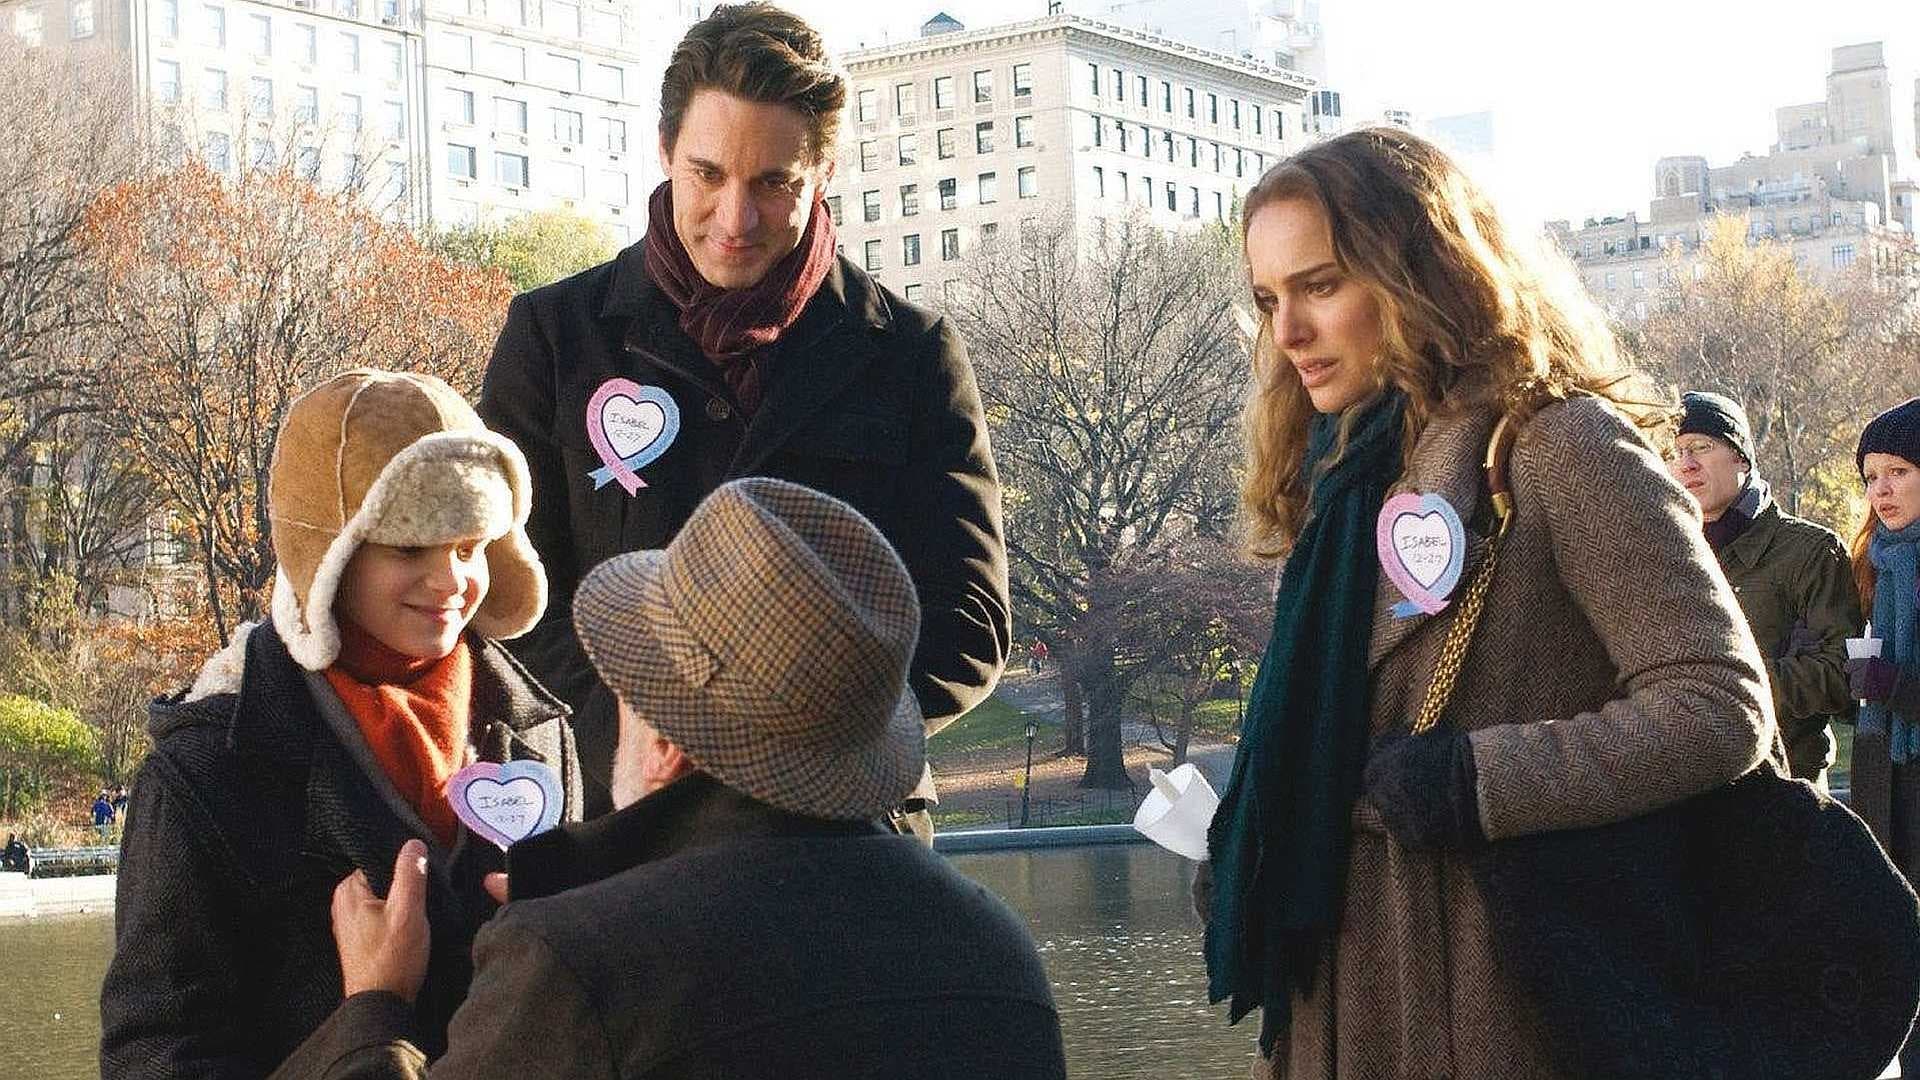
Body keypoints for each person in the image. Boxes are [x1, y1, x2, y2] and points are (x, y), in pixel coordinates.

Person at [1203, 128, 1773, 1077]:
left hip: (1509, 1006)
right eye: (1268, 300)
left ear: (1422, 273)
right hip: (1335, 1011)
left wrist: (1474, 782)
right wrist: (1252, 844)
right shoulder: (1336, 485)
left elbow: (1720, 707)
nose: (1288, 332)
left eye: (1321, 285)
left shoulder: (1557, 446)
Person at [270, 478, 1067, 1080]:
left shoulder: (581, 968)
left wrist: (373, 1010)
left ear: (665, 746)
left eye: (626, 687)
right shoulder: (996, 950)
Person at [477, 1, 1011, 826]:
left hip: (845, 838)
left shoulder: (914, 355)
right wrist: (645, 746)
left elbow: (969, 623)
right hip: (623, 823)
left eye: (773, 183)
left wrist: (801, 751)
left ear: (823, 172)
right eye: (708, 175)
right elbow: (511, 593)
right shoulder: (553, 337)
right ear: (664, 150)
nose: (735, 219)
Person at [101, 370, 583, 1079]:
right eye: (409, 548)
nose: (451, 582)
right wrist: (369, 1019)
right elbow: (155, 1058)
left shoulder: (542, 735)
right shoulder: (204, 773)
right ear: (328, 552)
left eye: (470, 546)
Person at [1667, 390, 1861, 788]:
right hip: (1688, 786)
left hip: (1786, 786)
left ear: (1740, 456)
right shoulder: (1664, 554)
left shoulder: (1811, 551)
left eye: (1701, 447)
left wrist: (1731, 687)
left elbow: (1843, 675)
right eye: (1675, 452)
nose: (1686, 463)